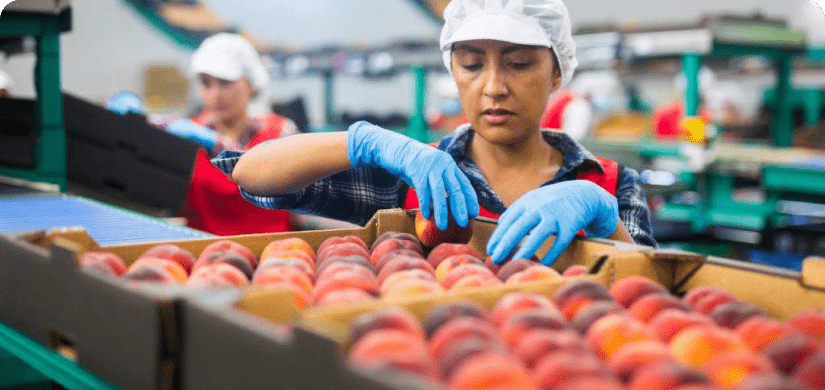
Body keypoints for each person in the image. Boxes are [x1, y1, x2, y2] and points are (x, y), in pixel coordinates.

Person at [214, 0, 656, 265]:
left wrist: (607, 219)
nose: (494, 87)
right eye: (471, 65)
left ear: (558, 73)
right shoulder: (414, 179)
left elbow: (656, 293)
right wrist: (362, 141)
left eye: (519, 63)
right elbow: (252, 175)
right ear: (453, 72)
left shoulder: (610, 185)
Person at [142, 33, 297, 235]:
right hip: (202, 256)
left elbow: (296, 191)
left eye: (225, 82)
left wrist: (217, 144)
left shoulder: (282, 132)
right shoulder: (187, 133)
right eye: (206, 83)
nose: (215, 94)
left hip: (273, 255)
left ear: (251, 84)